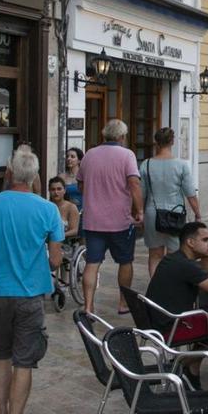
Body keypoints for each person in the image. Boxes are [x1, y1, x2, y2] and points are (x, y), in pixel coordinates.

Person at [0, 147, 63, 414]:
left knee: (2, 355)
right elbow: (56, 260)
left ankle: (0, 411)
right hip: (31, 294)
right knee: (24, 362)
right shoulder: (48, 210)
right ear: (35, 177)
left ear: (9, 173)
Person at [144, 222, 208, 388]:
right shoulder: (185, 266)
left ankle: (192, 368)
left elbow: (202, 273)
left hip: (158, 321)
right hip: (171, 327)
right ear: (190, 242)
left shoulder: (175, 258)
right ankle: (183, 362)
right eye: (205, 240)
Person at [77, 119, 143, 314]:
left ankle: (88, 306)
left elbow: (80, 184)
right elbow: (134, 183)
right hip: (119, 222)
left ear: (104, 135)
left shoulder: (89, 154)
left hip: (93, 220)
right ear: (122, 137)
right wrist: (139, 211)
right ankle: (123, 303)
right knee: (125, 261)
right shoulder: (127, 155)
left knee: (92, 263)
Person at [140, 127, 201, 278]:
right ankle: (172, 286)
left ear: (156, 143)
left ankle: (156, 287)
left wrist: (138, 213)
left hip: (152, 214)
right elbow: (190, 194)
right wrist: (198, 214)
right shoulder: (181, 165)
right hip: (175, 214)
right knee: (175, 254)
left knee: (154, 254)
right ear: (172, 142)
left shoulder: (146, 164)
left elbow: (141, 194)